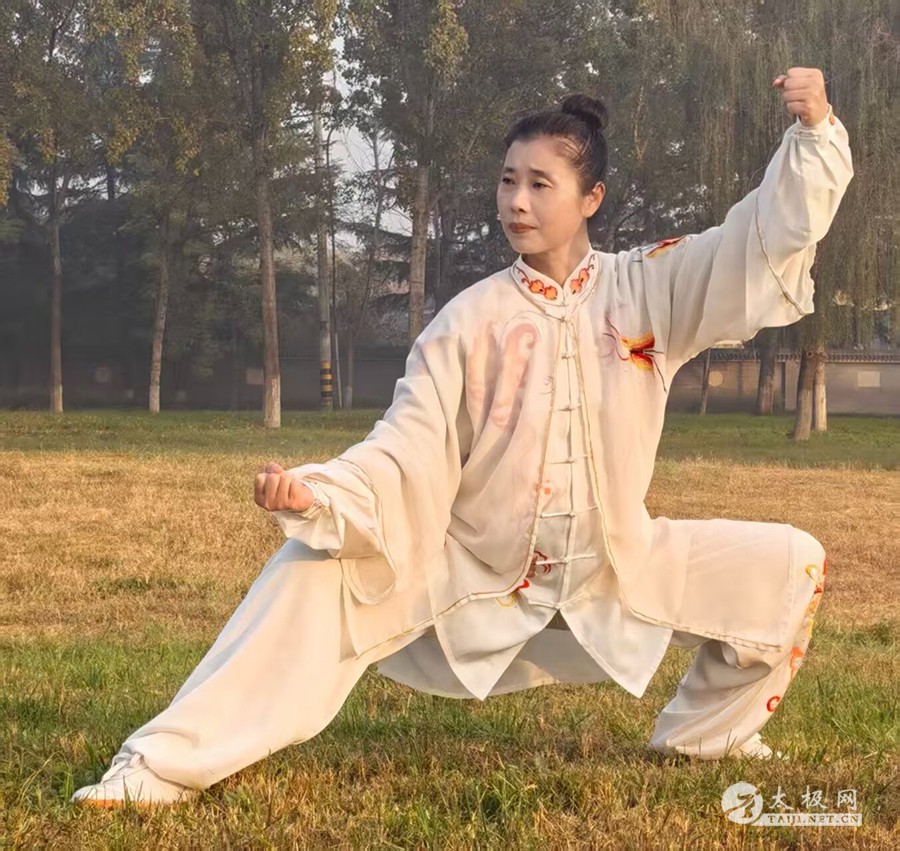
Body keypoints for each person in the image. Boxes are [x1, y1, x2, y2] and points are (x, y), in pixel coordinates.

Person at [71, 67, 852, 806]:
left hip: (619, 566)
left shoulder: (650, 287)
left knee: (792, 564)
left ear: (592, 198)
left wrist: (813, 136)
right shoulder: (469, 322)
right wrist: (322, 493)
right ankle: (160, 764)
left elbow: (752, 244)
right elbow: (404, 445)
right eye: (507, 181)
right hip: (476, 574)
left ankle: (707, 735)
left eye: (540, 183)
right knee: (309, 569)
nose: (516, 201)